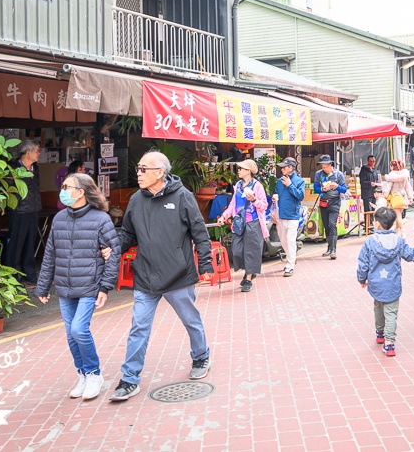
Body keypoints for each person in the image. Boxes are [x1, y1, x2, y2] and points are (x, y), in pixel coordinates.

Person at [109, 151, 214, 402]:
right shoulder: (135, 200)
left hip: (178, 275)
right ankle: (130, 379)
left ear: (160, 172)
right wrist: (112, 250)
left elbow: (200, 233)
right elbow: (127, 234)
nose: (139, 173)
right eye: (138, 168)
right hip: (145, 276)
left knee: (191, 320)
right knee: (139, 328)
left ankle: (201, 356)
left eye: (143, 169)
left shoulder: (183, 197)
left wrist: (206, 262)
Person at [36, 173, 121, 401]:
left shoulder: (100, 219)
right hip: (64, 286)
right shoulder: (59, 218)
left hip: (89, 285)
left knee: (79, 330)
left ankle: (94, 374)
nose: (62, 190)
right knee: (70, 335)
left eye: (67, 186)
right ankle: (83, 374)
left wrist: (105, 287)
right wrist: (43, 286)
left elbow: (114, 254)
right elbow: (50, 253)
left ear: (81, 192)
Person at [357, 207, 414, 358]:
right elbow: (411, 255)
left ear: (377, 224)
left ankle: (380, 333)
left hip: (376, 283)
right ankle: (389, 344)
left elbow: (363, 263)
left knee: (378, 306)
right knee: (391, 312)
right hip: (392, 284)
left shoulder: (370, 242)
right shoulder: (399, 241)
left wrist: (362, 279)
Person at [219, 159, 269, 292]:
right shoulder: (238, 185)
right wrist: (224, 216)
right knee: (237, 250)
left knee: (251, 251)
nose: (239, 171)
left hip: (253, 222)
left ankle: (248, 278)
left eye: (241, 169)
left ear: (249, 171)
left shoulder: (257, 186)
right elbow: (233, 205)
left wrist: (254, 200)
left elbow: (264, 205)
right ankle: (249, 271)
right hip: (239, 223)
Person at [5, 139, 42, 286]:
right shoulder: (13, 168)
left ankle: (29, 275)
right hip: (18, 211)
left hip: (33, 210)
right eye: (37, 151)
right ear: (28, 152)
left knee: (29, 244)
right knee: (16, 244)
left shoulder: (35, 168)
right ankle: (13, 276)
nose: (39, 153)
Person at [274, 157, 305, 277]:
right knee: (283, 240)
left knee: (290, 240)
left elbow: (300, 196)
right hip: (281, 215)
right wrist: (274, 198)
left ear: (291, 168)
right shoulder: (279, 181)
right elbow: (276, 193)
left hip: (293, 215)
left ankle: (290, 265)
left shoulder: (299, 181)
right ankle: (291, 257)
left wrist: (290, 185)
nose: (281, 169)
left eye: (284, 167)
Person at [314, 155, 348, 259]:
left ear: (330, 165)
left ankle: (334, 249)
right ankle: (329, 248)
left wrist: (337, 186)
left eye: (325, 167)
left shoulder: (338, 175)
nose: (324, 169)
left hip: (335, 202)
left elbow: (344, 189)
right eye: (322, 167)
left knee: (332, 223)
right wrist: (322, 189)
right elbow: (315, 188)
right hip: (323, 202)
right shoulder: (318, 174)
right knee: (326, 225)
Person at [384, 160, 413, 234]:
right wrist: (410, 197)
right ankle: (397, 229)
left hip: (395, 197)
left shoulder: (391, 175)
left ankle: (403, 232)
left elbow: (388, 187)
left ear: (392, 166)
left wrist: (385, 196)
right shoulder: (404, 175)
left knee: (398, 216)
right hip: (403, 197)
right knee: (399, 214)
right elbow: (407, 187)